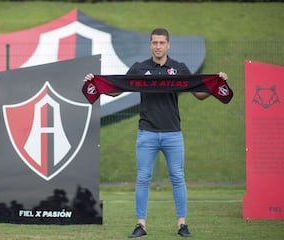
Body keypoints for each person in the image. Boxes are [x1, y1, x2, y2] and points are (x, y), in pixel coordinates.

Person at [84, 28, 229, 238]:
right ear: (150, 45)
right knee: (143, 179)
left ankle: (182, 225)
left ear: (168, 45)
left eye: (162, 43)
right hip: (147, 132)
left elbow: (199, 93)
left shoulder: (179, 69)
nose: (158, 46)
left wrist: (217, 84)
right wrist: (95, 83)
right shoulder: (140, 69)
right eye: (155, 43)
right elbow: (117, 89)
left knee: (178, 178)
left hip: (173, 133)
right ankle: (140, 225)